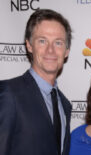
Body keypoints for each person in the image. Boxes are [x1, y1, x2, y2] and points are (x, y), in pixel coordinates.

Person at [0, 9, 72, 155]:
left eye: (58, 43)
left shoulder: (65, 105)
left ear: (66, 51)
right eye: (42, 41)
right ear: (29, 46)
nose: (50, 50)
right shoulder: (9, 94)